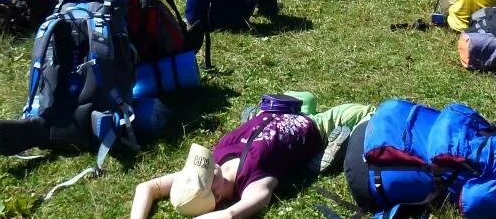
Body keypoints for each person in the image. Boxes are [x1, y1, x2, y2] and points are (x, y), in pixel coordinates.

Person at [130, 102, 372, 219]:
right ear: (218, 197)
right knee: (365, 112)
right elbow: (230, 215)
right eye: (206, 176)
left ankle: (258, 116)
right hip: (313, 126)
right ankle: (322, 155)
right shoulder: (255, 184)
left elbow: (147, 187)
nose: (202, 166)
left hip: (277, 109)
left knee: (306, 96)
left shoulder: (199, 174)